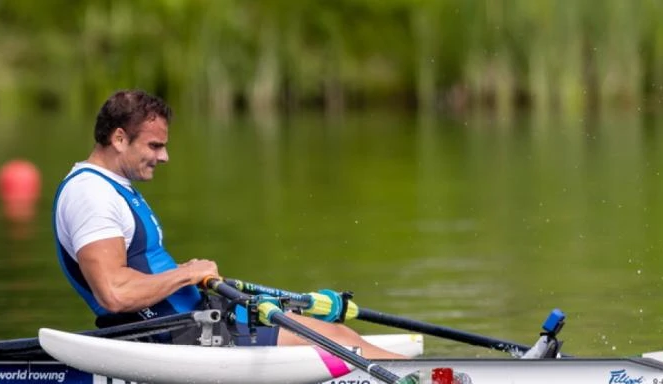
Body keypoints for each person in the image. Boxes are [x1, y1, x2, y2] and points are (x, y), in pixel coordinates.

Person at [53, 89, 402, 359]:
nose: (164, 156)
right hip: (175, 337)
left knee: (334, 329)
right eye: (155, 145)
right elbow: (114, 293)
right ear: (118, 139)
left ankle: (426, 380)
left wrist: (187, 273)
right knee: (337, 340)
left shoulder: (110, 187)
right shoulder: (91, 195)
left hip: (197, 320)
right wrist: (187, 274)